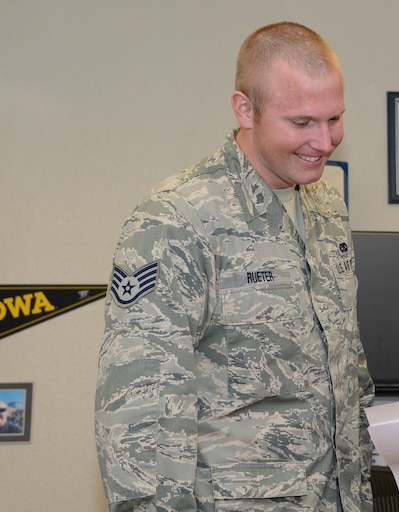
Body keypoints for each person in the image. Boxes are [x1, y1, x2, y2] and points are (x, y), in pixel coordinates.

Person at [95, 21, 374, 512]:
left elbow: (345, 368)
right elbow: (141, 409)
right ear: (245, 110)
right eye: (303, 123)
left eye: (335, 119)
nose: (325, 141)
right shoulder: (178, 216)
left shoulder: (327, 209)